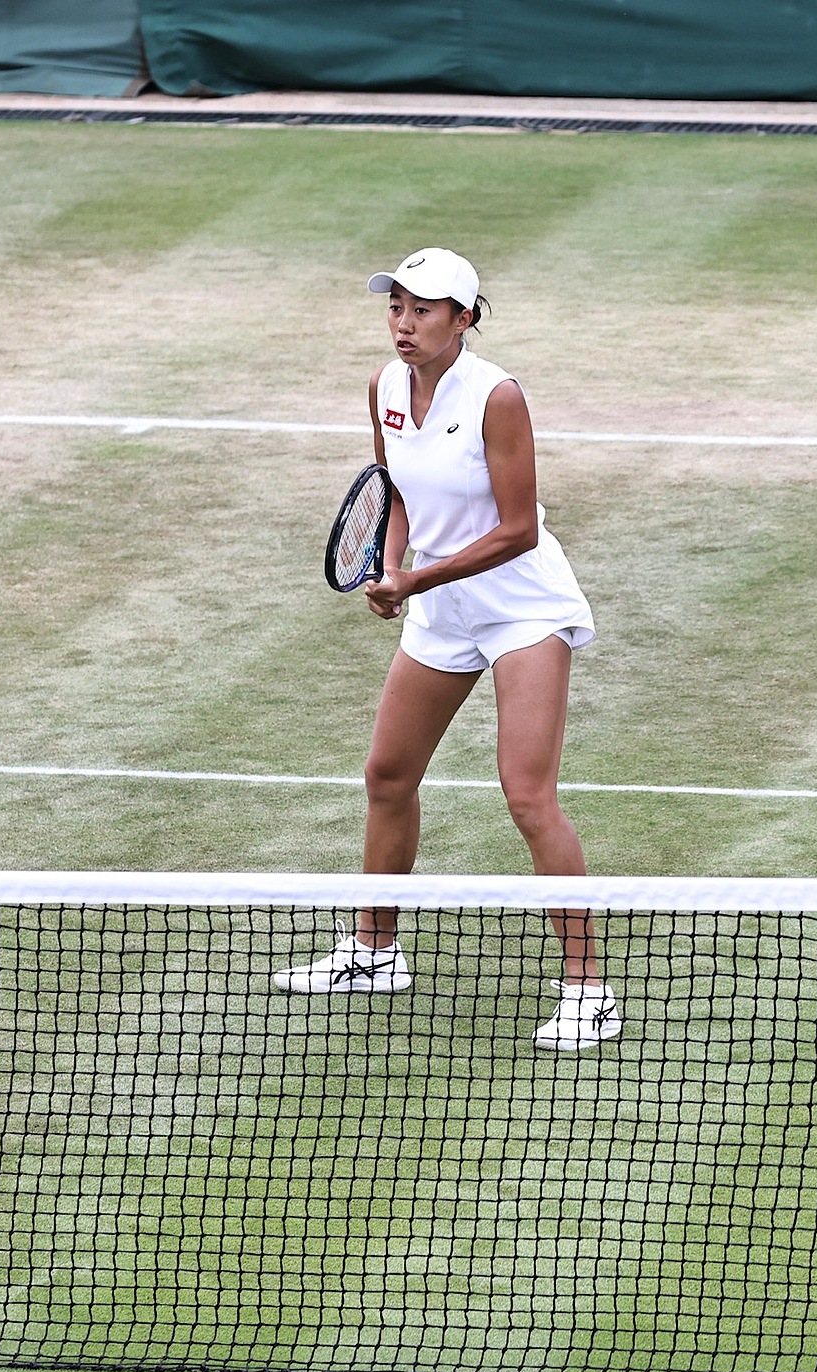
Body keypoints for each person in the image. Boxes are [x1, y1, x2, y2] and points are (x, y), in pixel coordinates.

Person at [271, 248, 617, 1052]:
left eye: (424, 309)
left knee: (528, 794)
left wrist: (416, 578)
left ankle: (588, 991)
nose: (404, 322)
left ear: (464, 318)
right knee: (387, 775)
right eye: (396, 306)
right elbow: (393, 492)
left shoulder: (496, 396)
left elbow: (517, 528)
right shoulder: (384, 387)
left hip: (522, 608)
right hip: (440, 606)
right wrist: (392, 567)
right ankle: (373, 952)